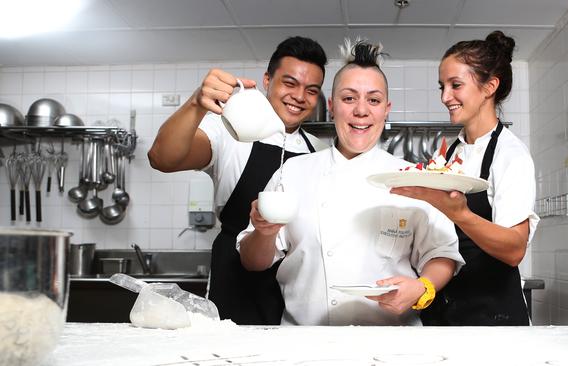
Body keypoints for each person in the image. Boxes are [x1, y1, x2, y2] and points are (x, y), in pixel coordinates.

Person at [237, 39, 464, 326]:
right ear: (332, 106)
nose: (361, 111)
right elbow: (252, 261)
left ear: (386, 109)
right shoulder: (292, 173)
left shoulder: (414, 178)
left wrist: (422, 288)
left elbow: (442, 254)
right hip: (306, 341)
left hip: (393, 342)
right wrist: (264, 232)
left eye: (373, 100)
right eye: (349, 98)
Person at [147, 36, 329, 325]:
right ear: (267, 80)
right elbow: (162, 158)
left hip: (297, 285)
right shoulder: (230, 131)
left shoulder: (318, 149)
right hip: (235, 278)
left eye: (311, 90)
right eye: (289, 83)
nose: (299, 96)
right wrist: (197, 103)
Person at [391, 31, 540, 326]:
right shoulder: (448, 154)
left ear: (490, 86)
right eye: (442, 87)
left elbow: (514, 250)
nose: (445, 97)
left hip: (493, 314)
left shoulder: (511, 155)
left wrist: (460, 214)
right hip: (443, 310)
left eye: (455, 85)